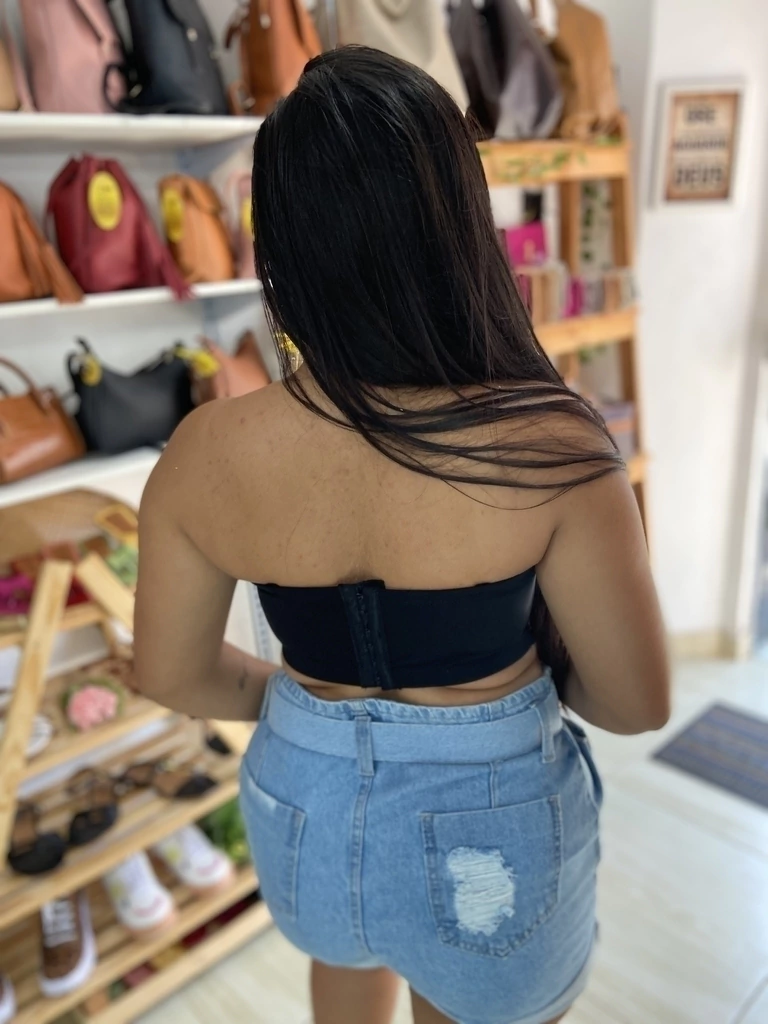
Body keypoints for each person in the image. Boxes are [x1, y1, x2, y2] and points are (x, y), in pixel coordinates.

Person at [134, 46, 670, 1024]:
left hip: (300, 809)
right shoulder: (552, 445)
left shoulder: (205, 451)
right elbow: (634, 701)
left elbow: (170, 672)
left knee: (348, 961)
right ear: (458, 219)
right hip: (491, 825)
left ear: (278, 240)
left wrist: (303, 709)